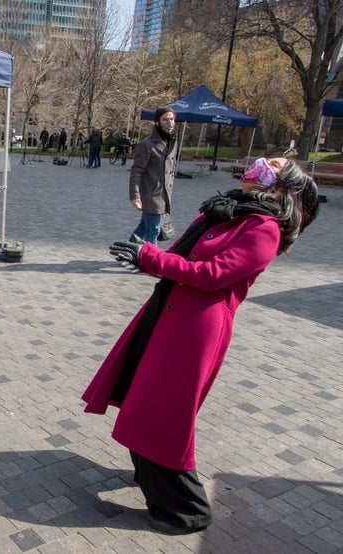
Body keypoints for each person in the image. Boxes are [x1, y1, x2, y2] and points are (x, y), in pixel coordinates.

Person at [83, 157, 320, 535]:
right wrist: (148, 259)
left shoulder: (264, 228)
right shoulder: (224, 210)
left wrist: (151, 258)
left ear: (281, 186)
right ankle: (148, 473)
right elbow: (178, 254)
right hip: (168, 312)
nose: (259, 164)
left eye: (273, 165)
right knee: (141, 398)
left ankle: (185, 509)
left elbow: (214, 276)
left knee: (163, 413)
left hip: (196, 329)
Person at [128, 107, 177, 244]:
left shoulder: (171, 142)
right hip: (151, 193)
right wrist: (135, 195)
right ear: (157, 122)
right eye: (165, 119)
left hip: (164, 193)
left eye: (171, 119)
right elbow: (137, 171)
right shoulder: (146, 144)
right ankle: (152, 260)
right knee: (153, 230)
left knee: (144, 226)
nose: (169, 123)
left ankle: (126, 250)